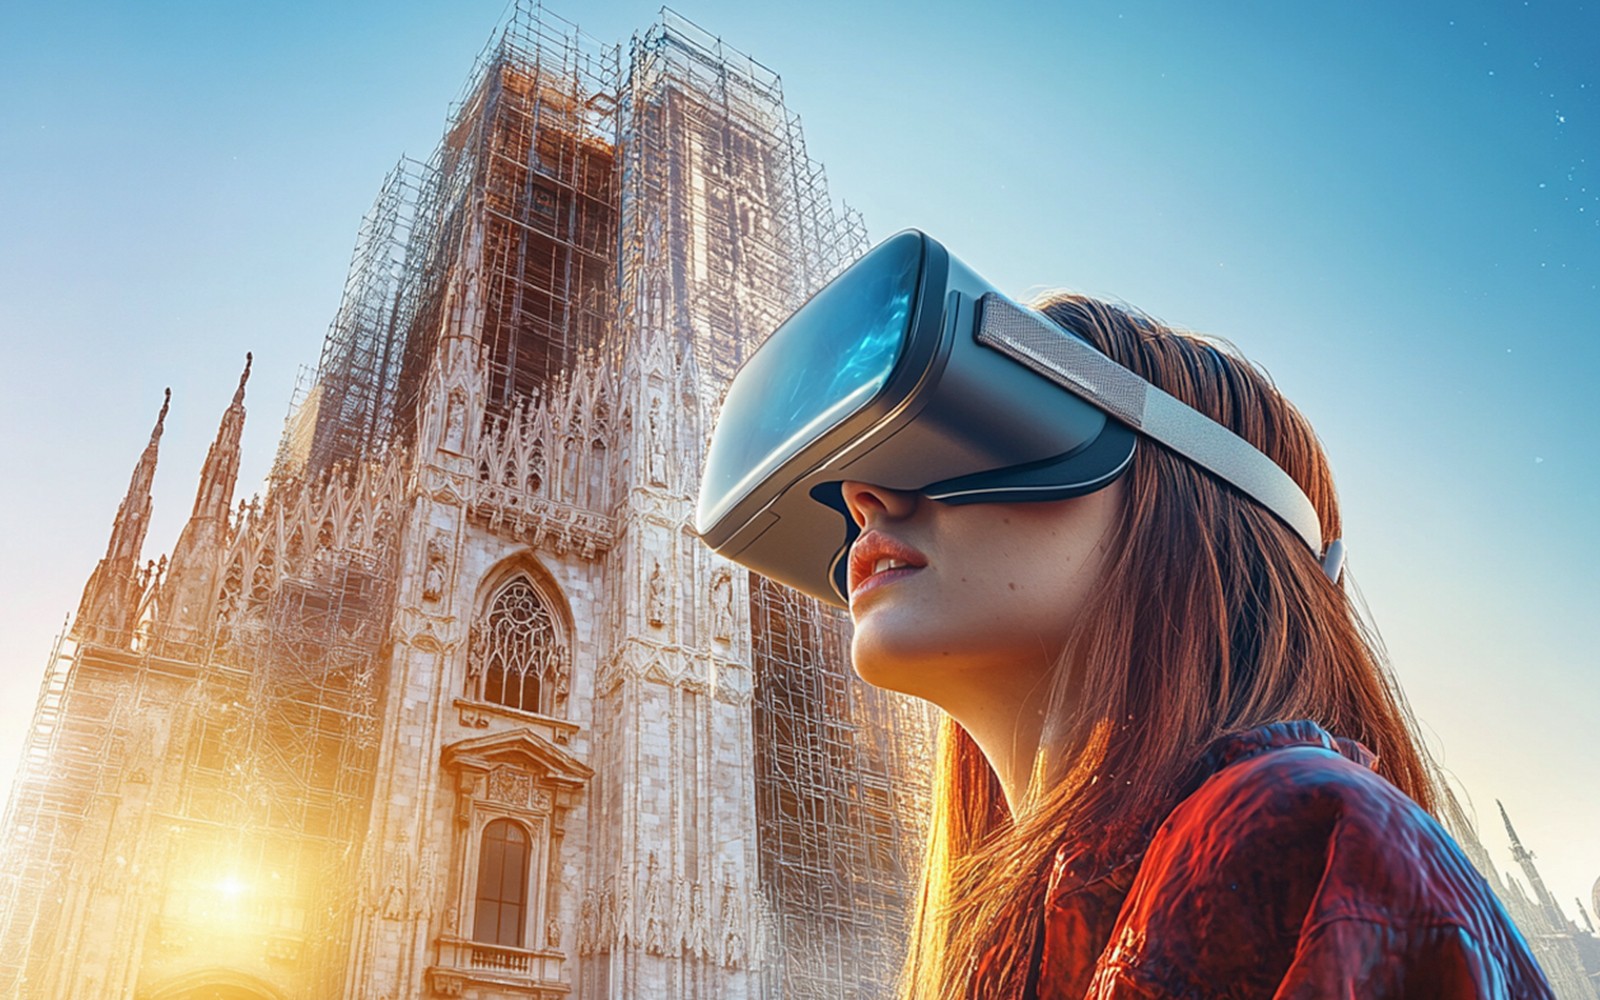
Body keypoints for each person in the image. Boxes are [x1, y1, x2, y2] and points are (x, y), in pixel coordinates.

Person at [694, 232, 1553, 999]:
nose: (862, 496)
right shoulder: (1026, 933)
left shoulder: (1297, 834)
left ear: (1191, 497)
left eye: (962, 427)